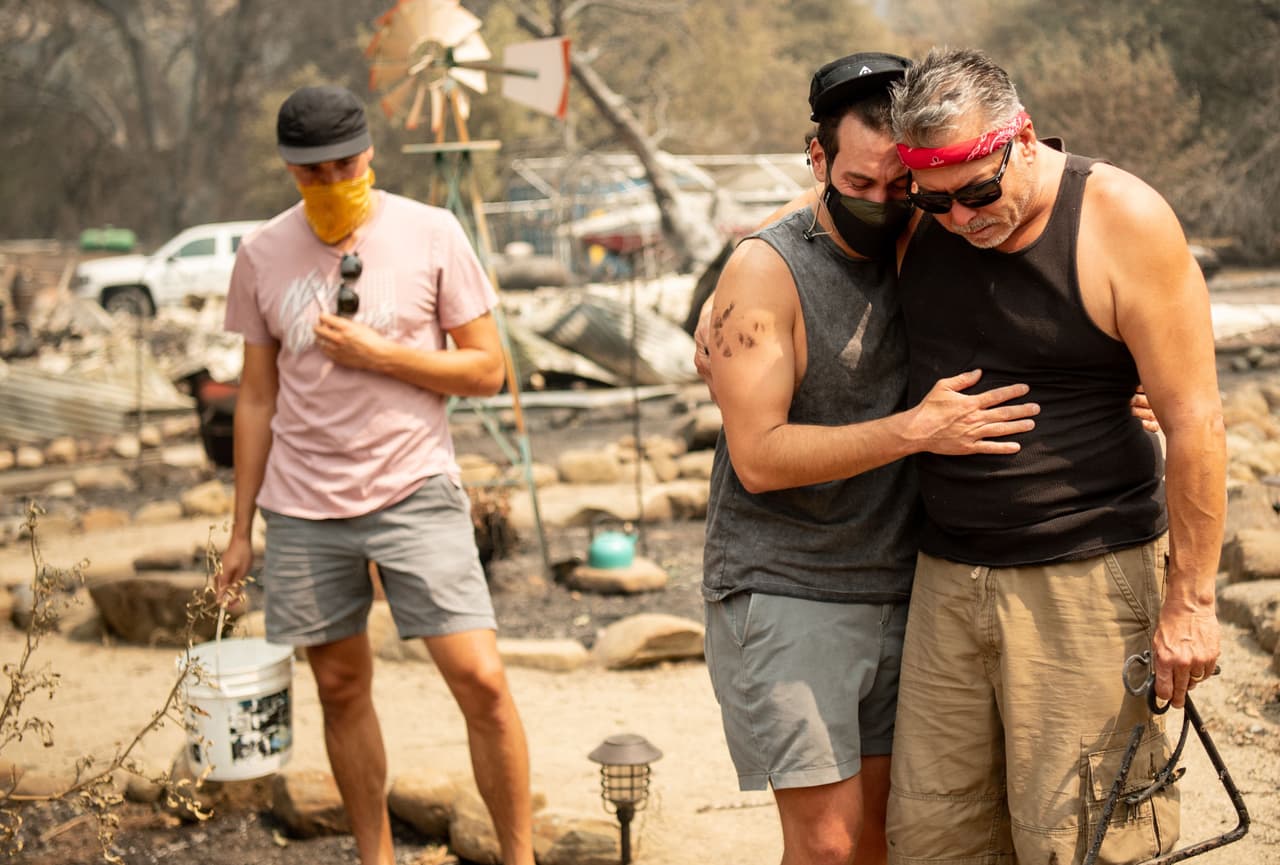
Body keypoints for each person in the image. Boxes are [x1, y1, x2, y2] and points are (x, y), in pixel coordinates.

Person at [882, 47, 1226, 865]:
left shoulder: (1120, 219)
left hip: (1086, 572)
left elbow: (1195, 417)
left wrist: (1193, 601)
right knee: (936, 834)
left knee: (1086, 837)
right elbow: (804, 229)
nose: (964, 219)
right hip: (947, 576)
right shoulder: (920, 217)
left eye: (978, 192)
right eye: (938, 203)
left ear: (1024, 139)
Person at [700, 52, 1042, 865]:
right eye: (858, 185)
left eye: (900, 188)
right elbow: (758, 456)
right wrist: (914, 430)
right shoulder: (764, 269)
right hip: (787, 585)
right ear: (815, 159)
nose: (883, 206)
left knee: (884, 840)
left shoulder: (932, 229)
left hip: (901, 586)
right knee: (824, 845)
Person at [218, 85, 535, 865]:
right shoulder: (261, 253)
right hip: (301, 504)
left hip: (413, 487)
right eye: (311, 172)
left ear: (370, 153)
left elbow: (490, 370)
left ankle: (520, 856)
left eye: (344, 165)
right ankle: (375, 856)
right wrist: (239, 529)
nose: (331, 183)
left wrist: (381, 354)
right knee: (341, 687)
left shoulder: (432, 232)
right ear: (289, 170)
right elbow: (256, 398)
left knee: (482, 680)